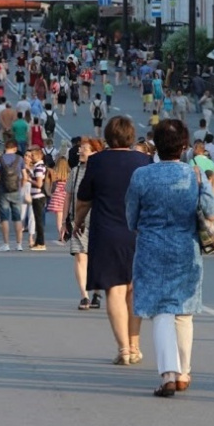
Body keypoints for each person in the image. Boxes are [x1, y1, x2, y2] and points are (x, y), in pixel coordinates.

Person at [126, 119, 214, 397]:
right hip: (185, 248)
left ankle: (168, 373)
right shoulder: (194, 175)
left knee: (161, 311)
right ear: (183, 146)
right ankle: (183, 373)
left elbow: (131, 218)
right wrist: (203, 185)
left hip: (151, 248)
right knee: (183, 312)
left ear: (155, 143)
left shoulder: (141, 176)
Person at [75, 116, 152, 365]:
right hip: (138, 232)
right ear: (131, 137)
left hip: (107, 231)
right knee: (134, 289)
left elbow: (84, 198)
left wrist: (77, 221)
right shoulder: (144, 161)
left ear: (108, 136)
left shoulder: (96, 162)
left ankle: (123, 350)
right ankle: (135, 344)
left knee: (115, 291)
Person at [65, 137, 105, 310]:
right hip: (77, 221)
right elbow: (68, 195)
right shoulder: (74, 172)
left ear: (95, 152)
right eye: (80, 148)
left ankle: (97, 291)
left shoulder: (103, 171)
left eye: (85, 149)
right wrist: (65, 219)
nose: (80, 151)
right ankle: (84, 296)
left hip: (99, 220)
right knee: (81, 256)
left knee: (97, 258)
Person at [0, 139, 27, 252]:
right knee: (17, 218)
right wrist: (21, 186)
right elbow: (25, 176)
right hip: (16, 190)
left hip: (3, 191)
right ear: (15, 148)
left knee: (4, 218)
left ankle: (6, 244)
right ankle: (19, 244)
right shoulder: (20, 159)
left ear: (5, 147)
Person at [26, 145, 48, 251]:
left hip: (38, 196)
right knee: (37, 219)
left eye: (33, 155)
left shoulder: (39, 167)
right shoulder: (39, 166)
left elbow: (39, 183)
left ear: (39, 155)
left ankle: (41, 243)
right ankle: (37, 241)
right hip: (37, 196)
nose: (32, 157)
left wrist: (29, 180)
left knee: (38, 220)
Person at [45, 157, 70, 242]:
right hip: (66, 196)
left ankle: (61, 235)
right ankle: (65, 233)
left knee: (59, 218)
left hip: (57, 197)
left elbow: (49, 185)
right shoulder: (69, 174)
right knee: (65, 217)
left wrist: (49, 193)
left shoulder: (55, 174)